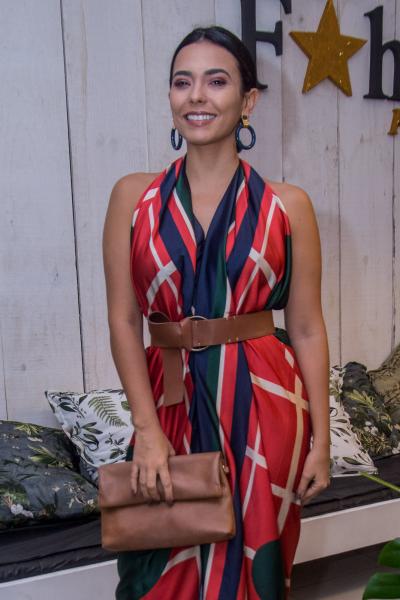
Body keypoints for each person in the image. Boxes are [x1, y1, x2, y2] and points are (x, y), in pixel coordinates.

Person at [102, 24, 331, 600]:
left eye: (217, 81)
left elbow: (306, 328)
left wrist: (322, 440)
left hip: (265, 407)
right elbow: (124, 321)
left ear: (248, 101)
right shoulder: (133, 198)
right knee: (157, 568)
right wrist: (146, 430)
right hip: (166, 405)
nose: (197, 96)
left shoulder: (288, 205)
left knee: (257, 575)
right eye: (183, 82)